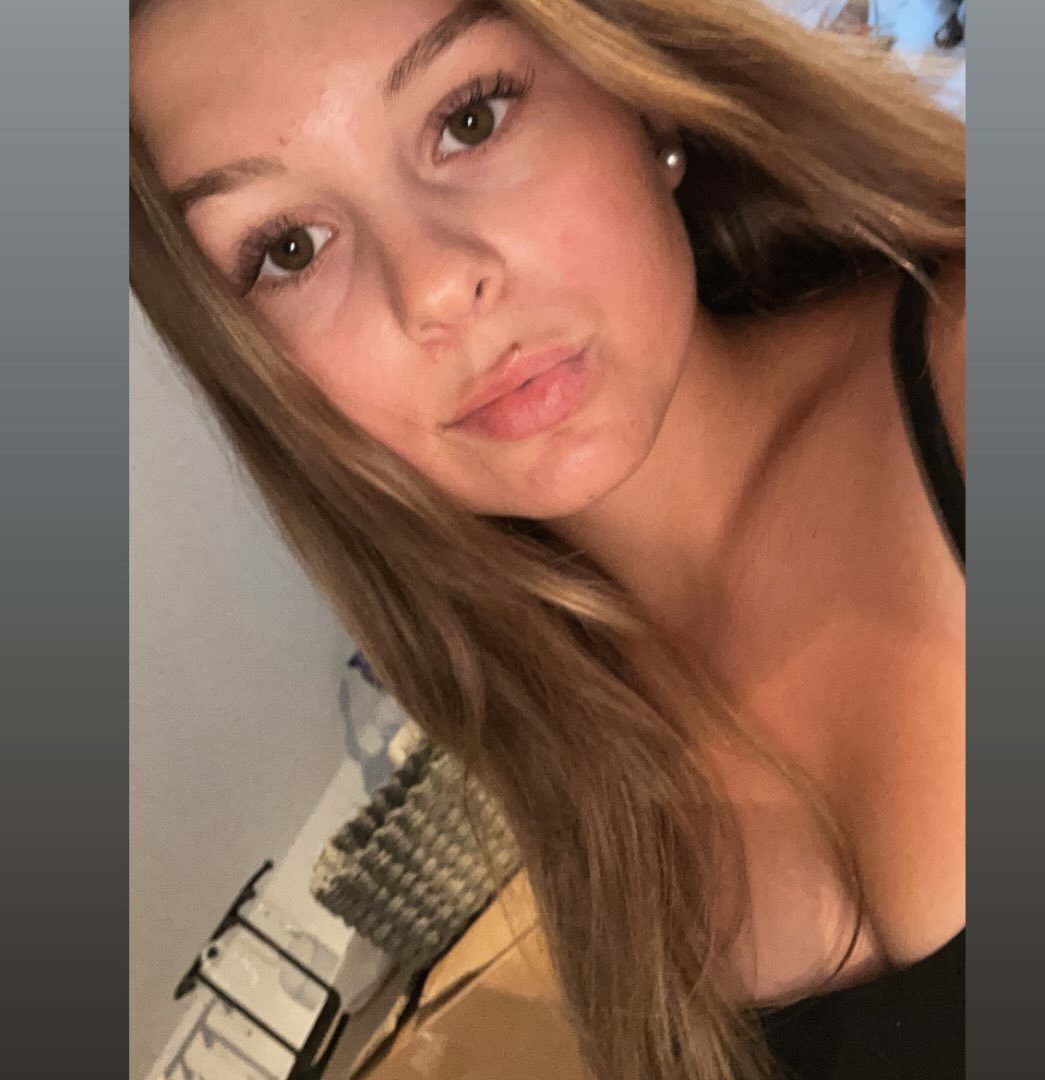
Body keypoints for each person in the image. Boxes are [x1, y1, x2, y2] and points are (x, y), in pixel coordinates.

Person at [129, 1, 965, 1077]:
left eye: (470, 119)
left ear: (638, 96)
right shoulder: (566, 763)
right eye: (289, 249)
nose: (436, 286)